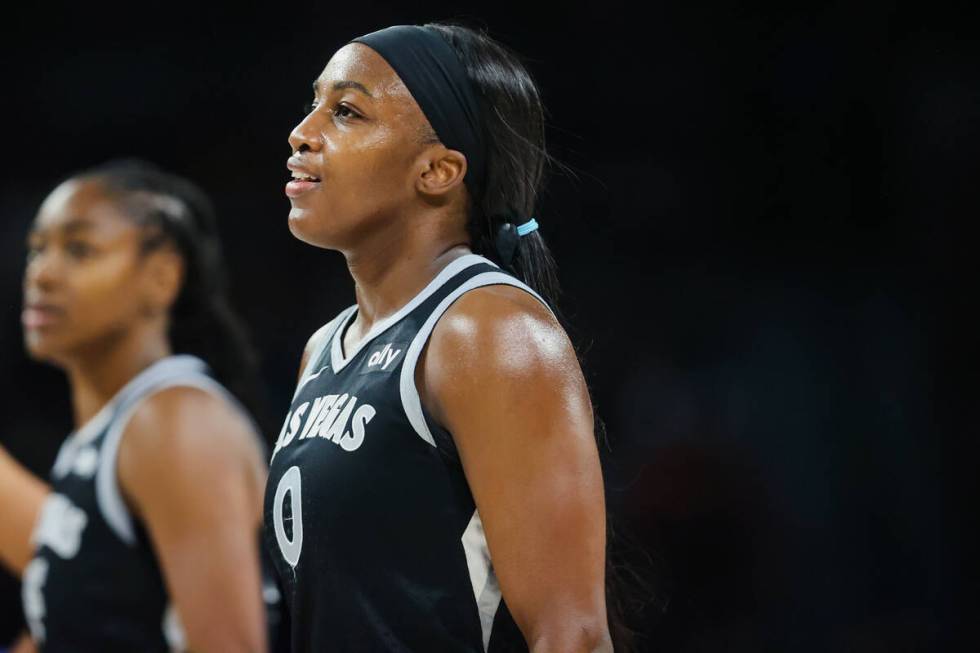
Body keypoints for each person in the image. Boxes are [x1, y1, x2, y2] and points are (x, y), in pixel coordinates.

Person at [265, 23, 611, 651]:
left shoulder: (487, 332)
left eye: (345, 111)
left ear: (437, 170)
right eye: (313, 103)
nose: (303, 132)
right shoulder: (324, 349)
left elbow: (574, 634)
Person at [0, 160, 271, 652]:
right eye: (37, 249)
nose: (42, 273)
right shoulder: (106, 434)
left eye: (78, 249)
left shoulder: (175, 420)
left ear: (162, 276)